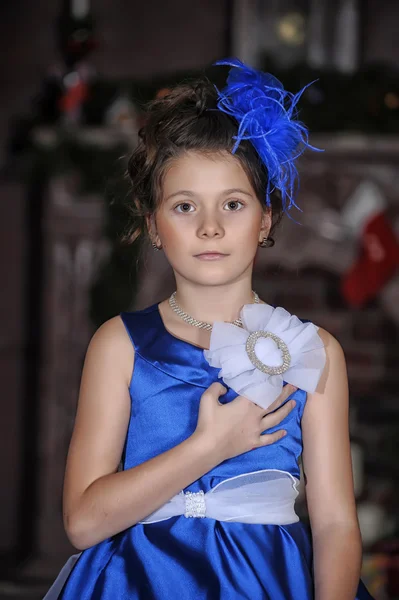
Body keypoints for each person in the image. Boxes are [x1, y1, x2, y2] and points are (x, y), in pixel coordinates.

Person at [44, 59, 374, 599]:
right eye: (184, 206)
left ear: (264, 219)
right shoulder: (119, 345)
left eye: (234, 204)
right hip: (140, 582)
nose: (210, 226)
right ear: (153, 224)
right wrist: (209, 446)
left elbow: (337, 523)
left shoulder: (315, 352)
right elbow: (82, 522)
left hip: (268, 582)